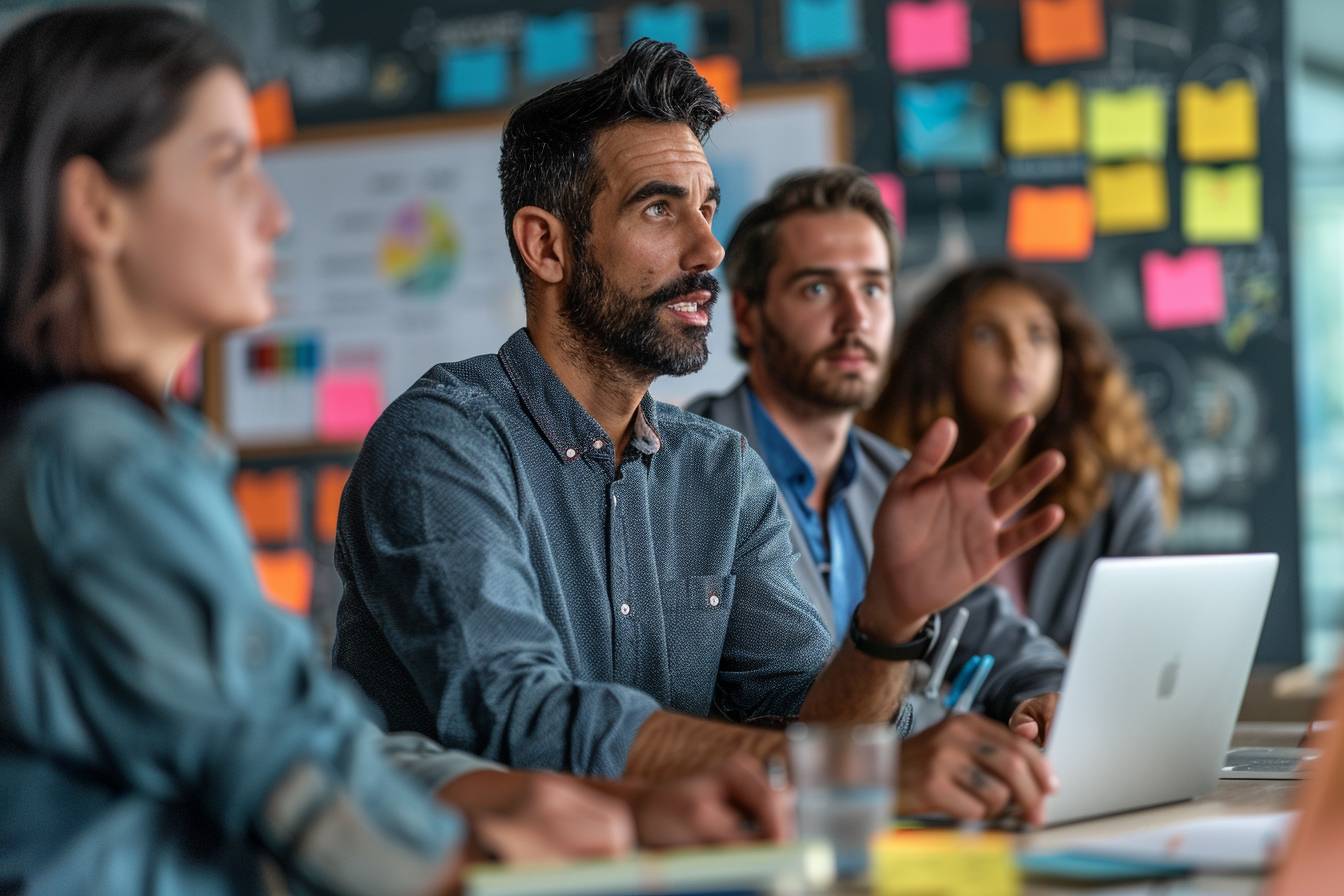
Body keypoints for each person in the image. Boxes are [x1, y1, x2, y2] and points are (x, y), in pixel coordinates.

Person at [0, 9, 787, 894]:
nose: (274, 212)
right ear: (97, 208)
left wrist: (564, 809)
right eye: (227, 168)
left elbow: (312, 734)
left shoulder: (126, 450)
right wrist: (461, 855)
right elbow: (285, 768)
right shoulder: (95, 463)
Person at [334, 39, 1067, 825]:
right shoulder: (441, 444)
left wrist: (887, 626)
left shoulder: (721, 472)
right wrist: (860, 772)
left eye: (707, 207)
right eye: (659, 209)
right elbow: (519, 718)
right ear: (546, 245)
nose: (709, 249)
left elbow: (815, 721)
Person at [686, 167, 1066, 747]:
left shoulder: (899, 477)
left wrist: (1042, 694)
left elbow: (1007, 643)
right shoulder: (684, 475)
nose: (855, 318)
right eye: (817, 288)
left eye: (873, 288)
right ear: (749, 316)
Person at [861, 261, 1180, 647]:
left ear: (1069, 357)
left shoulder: (1124, 495)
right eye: (985, 334)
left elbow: (1140, 645)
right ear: (941, 356)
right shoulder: (880, 486)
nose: (1017, 355)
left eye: (1038, 335)